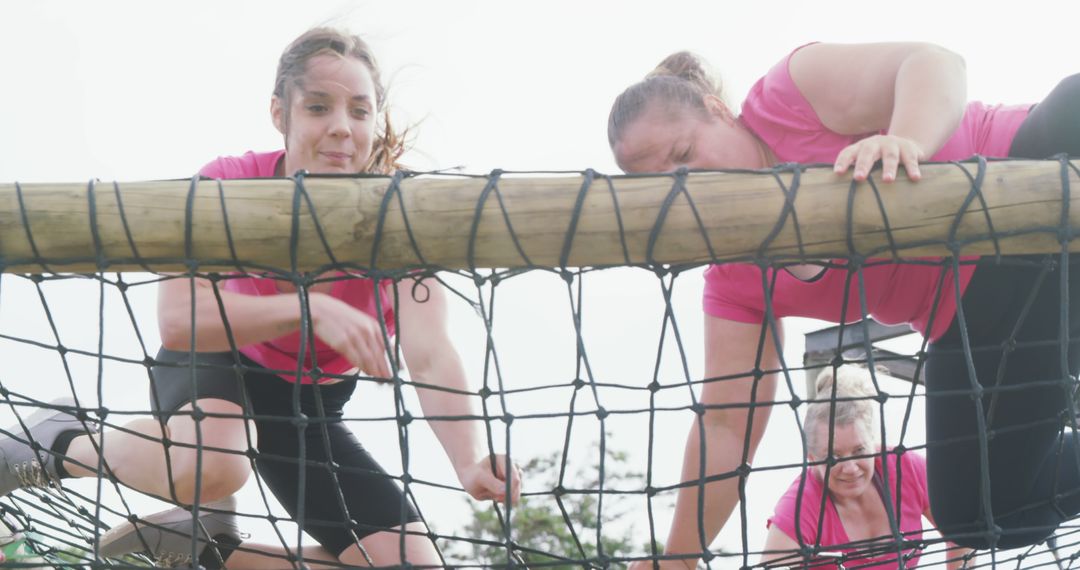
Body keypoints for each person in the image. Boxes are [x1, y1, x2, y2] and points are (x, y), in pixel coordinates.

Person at [0, 27, 521, 568]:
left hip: (308, 409)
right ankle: (59, 440)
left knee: (411, 566)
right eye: (319, 107)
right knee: (215, 465)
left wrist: (469, 462)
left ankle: (205, 550)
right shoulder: (228, 183)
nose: (342, 127)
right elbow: (179, 319)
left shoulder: (403, 216)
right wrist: (308, 309)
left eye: (360, 111)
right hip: (216, 365)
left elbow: (431, 353)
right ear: (281, 113)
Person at [608, 42, 1080, 568]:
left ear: (718, 113)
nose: (688, 185)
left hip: (1021, 174)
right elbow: (725, 427)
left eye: (684, 155)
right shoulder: (734, 279)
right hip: (987, 320)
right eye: (664, 187)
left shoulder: (786, 97)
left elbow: (934, 64)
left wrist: (907, 140)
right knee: (979, 510)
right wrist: (679, 559)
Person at [761, 365, 975, 569]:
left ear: (872, 441)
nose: (851, 468)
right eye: (834, 457)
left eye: (859, 450)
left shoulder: (905, 467)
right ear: (812, 458)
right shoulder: (800, 506)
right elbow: (767, 566)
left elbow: (961, 533)